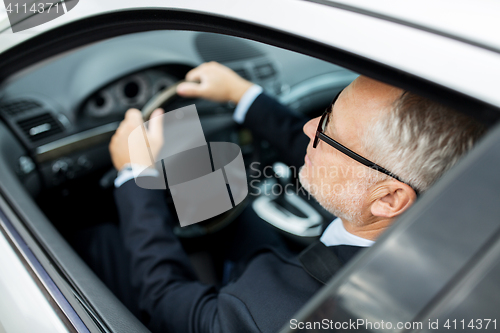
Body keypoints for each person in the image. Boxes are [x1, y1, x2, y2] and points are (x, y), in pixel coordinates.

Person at [106, 62, 485, 333]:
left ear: (388, 200)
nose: (308, 127)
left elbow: (164, 297)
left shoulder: (272, 313)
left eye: (327, 129)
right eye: (327, 112)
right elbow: (345, 164)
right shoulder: (471, 210)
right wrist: (243, 95)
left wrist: (135, 175)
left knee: (102, 243)